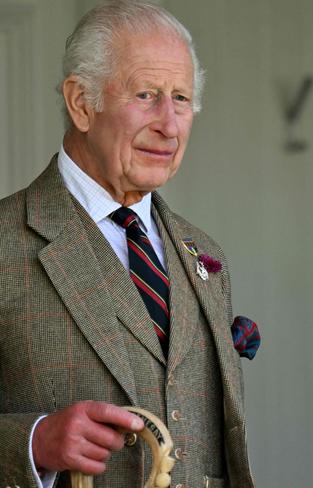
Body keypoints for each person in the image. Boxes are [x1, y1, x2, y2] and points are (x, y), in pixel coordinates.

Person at [0, 1, 254, 486]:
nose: (170, 124)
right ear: (81, 103)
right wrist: (33, 442)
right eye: (145, 94)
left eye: (181, 98)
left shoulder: (204, 252)